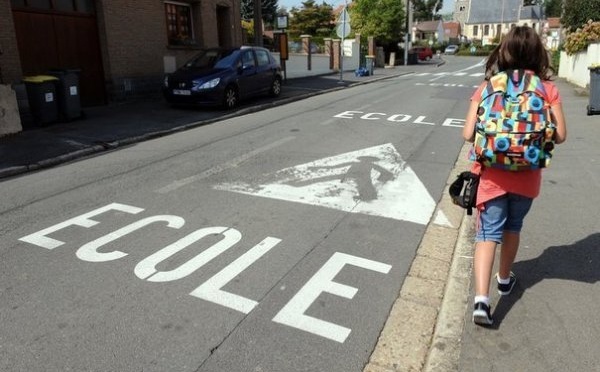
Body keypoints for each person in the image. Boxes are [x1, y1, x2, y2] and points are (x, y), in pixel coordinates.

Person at [461, 26, 568, 326]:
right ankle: (504, 279)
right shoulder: (547, 89)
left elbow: (468, 133)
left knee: (487, 233)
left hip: (492, 175)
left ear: (504, 51)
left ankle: (481, 301)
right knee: (513, 227)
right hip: (527, 177)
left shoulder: (487, 87)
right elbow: (560, 135)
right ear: (538, 53)